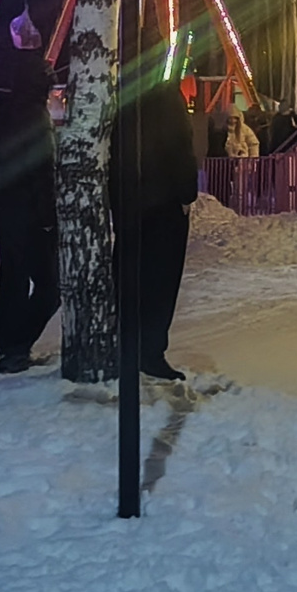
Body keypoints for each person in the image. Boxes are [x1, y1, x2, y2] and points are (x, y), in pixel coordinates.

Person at [116, 74, 200, 380]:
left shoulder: (122, 97)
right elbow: (180, 149)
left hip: (129, 204)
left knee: (128, 277)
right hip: (164, 204)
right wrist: (186, 194)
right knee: (161, 282)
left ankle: (125, 344)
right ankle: (150, 352)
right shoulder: (166, 99)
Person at [0, 48, 61, 372]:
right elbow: (42, 171)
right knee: (49, 286)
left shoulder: (0, 117)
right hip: (30, 212)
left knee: (12, 278)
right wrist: (48, 217)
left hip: (5, 210)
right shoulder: (36, 117)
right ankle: (17, 345)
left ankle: (9, 346)